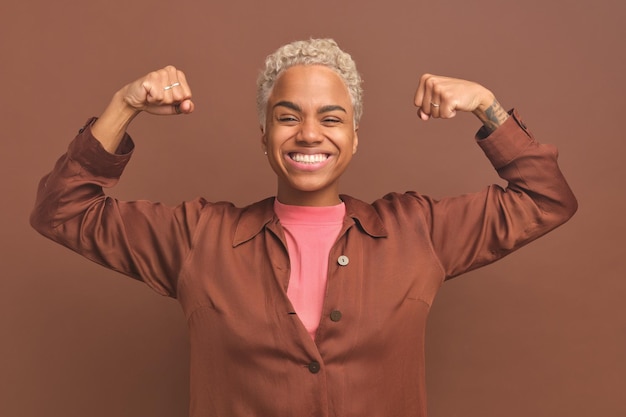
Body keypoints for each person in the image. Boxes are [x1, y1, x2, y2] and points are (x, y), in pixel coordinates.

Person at [31, 38, 577, 417]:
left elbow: (547, 198)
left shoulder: (419, 231)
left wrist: (486, 105)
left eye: (331, 118)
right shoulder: (199, 238)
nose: (309, 134)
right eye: (288, 116)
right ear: (264, 134)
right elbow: (62, 210)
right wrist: (124, 104)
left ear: (355, 136)